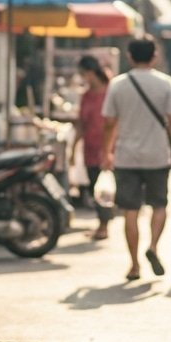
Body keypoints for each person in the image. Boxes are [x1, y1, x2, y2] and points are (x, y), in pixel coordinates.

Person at [100, 38, 171, 280]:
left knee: (130, 210)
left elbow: (109, 123)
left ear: (129, 57)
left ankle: (134, 264)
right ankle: (153, 247)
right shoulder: (165, 83)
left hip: (126, 156)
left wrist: (107, 152)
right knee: (159, 205)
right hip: (157, 155)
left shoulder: (118, 85)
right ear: (154, 56)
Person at [72, 55, 113, 240]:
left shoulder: (112, 91)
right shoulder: (86, 96)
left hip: (110, 147)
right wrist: (73, 148)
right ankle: (102, 223)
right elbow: (81, 124)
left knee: (107, 188)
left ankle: (104, 225)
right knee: (93, 186)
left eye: (83, 74)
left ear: (90, 73)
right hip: (90, 147)